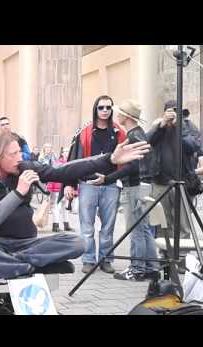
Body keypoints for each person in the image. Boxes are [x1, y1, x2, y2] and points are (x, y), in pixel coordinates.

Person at [0, 132, 149, 280]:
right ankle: (34, 266)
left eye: (19, 152)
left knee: (77, 242)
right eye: (13, 154)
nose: (19, 158)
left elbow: (64, 170)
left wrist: (109, 160)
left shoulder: (24, 166)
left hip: (27, 244)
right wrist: (18, 193)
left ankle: (12, 265)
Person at [88, 99, 158, 281]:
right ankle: (152, 268)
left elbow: (131, 167)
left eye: (119, 113)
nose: (115, 114)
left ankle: (137, 269)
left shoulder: (133, 136)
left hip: (135, 187)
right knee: (143, 230)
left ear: (126, 117)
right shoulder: (139, 134)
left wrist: (107, 178)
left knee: (135, 230)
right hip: (143, 186)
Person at [63, 95, 127, 274]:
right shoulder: (84, 132)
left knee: (108, 226)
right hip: (88, 184)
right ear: (95, 109)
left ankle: (106, 259)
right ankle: (89, 259)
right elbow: (73, 160)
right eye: (101, 107)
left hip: (111, 184)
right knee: (87, 226)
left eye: (108, 107)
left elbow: (126, 160)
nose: (105, 111)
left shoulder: (119, 132)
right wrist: (69, 184)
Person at [146, 100, 203, 268]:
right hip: (161, 182)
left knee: (183, 224)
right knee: (165, 223)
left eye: (177, 111)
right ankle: (167, 257)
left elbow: (193, 146)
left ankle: (182, 259)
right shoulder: (159, 127)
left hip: (183, 183)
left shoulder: (189, 127)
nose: (173, 115)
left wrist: (180, 127)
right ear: (164, 112)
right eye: (170, 111)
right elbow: (147, 141)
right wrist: (161, 125)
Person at [47, 147, 74, 233]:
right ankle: (55, 226)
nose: (67, 152)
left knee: (65, 207)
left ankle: (66, 225)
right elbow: (53, 176)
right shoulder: (57, 163)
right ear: (62, 153)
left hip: (66, 188)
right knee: (56, 207)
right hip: (57, 188)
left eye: (68, 151)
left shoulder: (70, 162)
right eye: (65, 151)